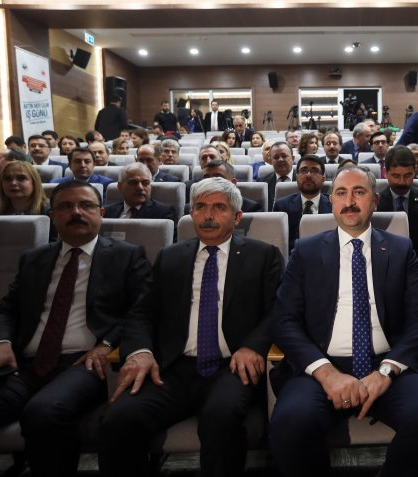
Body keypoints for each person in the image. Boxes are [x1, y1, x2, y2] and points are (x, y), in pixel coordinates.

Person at [269, 163, 418, 477]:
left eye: (359, 192)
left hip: (387, 365)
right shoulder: (306, 251)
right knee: (290, 423)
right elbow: (284, 320)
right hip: (322, 366)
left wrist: (387, 371)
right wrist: (326, 373)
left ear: (375, 201)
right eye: (341, 193)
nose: (350, 201)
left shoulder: (400, 249)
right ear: (331, 201)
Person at [99, 177, 282, 477]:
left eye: (219, 208)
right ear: (191, 213)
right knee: (119, 420)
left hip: (230, 367)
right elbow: (142, 312)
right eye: (201, 207)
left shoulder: (263, 256)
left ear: (237, 217)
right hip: (172, 369)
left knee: (221, 418)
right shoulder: (171, 256)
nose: (208, 215)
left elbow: (278, 310)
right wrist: (140, 351)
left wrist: (253, 346)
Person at [0, 180, 149, 477]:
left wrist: (107, 344)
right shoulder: (34, 259)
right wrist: (0, 343)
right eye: (65, 207)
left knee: (44, 412)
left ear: (101, 212)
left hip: (83, 363)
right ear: (52, 216)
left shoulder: (126, 256)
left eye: (86, 205)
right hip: (23, 364)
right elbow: (6, 310)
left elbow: (141, 311)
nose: (76, 213)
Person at [376, 145, 418, 263]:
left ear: (414, 172)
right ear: (385, 172)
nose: (401, 182)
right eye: (396, 176)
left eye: (407, 176)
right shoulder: (374, 204)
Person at [273, 155, 332, 250]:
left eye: (314, 171)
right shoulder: (282, 206)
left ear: (323, 178)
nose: (308, 175)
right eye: (303, 171)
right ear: (296, 177)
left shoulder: (334, 205)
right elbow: (278, 243)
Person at [104, 162, 176, 222]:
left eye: (145, 183)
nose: (140, 188)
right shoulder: (107, 213)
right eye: (133, 182)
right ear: (120, 187)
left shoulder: (163, 213)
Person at [260, 141, 295, 211]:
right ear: (271, 161)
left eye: (284, 156)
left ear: (292, 159)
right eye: (276, 157)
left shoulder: (303, 180)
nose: (280, 160)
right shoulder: (262, 182)